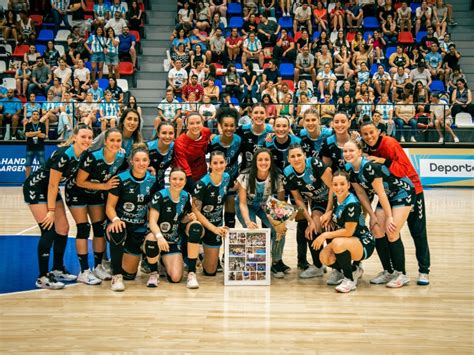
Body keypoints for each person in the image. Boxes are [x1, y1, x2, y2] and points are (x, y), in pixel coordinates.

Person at [23, 124, 93, 289]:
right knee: (49, 230)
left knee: (63, 228)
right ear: (74, 137)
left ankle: (57, 268)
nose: (87, 140)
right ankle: (42, 277)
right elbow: (53, 185)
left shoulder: (83, 155)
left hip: (50, 189)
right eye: (83, 136)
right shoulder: (64, 155)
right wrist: (51, 211)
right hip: (36, 187)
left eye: (90, 137)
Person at [360, 121, 431, 285]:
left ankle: (424, 270)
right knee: (379, 228)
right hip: (389, 192)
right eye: (365, 134)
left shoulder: (390, 143)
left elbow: (404, 169)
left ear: (378, 131)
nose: (369, 136)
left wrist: (383, 161)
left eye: (372, 132)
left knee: (417, 232)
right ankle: (390, 270)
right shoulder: (366, 148)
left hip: (411, 190)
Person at [344, 139, 414, 288]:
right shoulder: (349, 168)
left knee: (392, 230)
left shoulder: (369, 167)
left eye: (351, 151)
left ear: (360, 152)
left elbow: (381, 193)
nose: (348, 154)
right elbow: (361, 193)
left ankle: (402, 274)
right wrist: (372, 215)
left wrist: (389, 217)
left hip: (402, 191)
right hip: (388, 196)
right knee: (376, 229)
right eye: (345, 151)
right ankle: (388, 271)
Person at [69, 128, 126, 284]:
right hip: (77, 192)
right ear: (105, 141)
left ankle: (98, 266)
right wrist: (105, 186)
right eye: (112, 140)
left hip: (96, 194)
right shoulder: (92, 157)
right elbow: (79, 181)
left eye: (118, 140)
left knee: (99, 229)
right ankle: (84, 271)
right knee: (83, 228)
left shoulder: (121, 156)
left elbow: (129, 168)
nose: (115, 143)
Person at [106, 144, 158, 291]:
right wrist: (115, 219)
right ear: (131, 161)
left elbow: (154, 208)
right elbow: (110, 206)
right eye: (137, 160)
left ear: (148, 162)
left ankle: (144, 257)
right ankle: (116, 275)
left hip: (140, 228)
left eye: (144, 160)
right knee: (117, 229)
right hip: (122, 225)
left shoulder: (153, 181)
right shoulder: (120, 179)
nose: (141, 163)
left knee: (131, 275)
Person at [313, 170, 375, 293]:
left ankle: (349, 280)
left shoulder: (352, 203)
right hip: (350, 241)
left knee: (337, 243)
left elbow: (348, 232)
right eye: (335, 185)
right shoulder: (338, 199)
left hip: (364, 243)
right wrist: (329, 213)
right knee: (325, 257)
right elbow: (338, 211)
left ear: (348, 185)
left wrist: (325, 235)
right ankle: (353, 269)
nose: (338, 187)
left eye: (342, 184)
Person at [146, 167, 203, 288]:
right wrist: (160, 237)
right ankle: (153, 273)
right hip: (158, 238)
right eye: (174, 179)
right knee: (152, 237)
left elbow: (181, 220)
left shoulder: (186, 197)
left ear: (185, 181)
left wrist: (188, 218)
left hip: (172, 241)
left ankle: (188, 272)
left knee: (176, 278)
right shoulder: (160, 195)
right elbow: (152, 222)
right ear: (169, 180)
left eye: (181, 179)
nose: (177, 182)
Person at [235, 148, 289, 278]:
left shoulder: (278, 176)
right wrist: (248, 221)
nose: (263, 162)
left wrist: (280, 222)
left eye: (266, 159)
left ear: (271, 161)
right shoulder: (245, 176)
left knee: (279, 230)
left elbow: (280, 203)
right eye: (260, 159)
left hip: (266, 205)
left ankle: (276, 262)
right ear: (255, 161)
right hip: (246, 205)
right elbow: (242, 203)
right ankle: (253, 265)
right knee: (253, 231)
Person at [284, 144, 332, 278]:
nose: (296, 158)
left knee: (329, 228)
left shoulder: (314, 163)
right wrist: (310, 221)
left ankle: (338, 268)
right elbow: (298, 199)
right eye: (292, 156)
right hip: (317, 201)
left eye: (299, 155)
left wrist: (329, 211)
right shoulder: (288, 172)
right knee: (312, 229)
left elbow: (332, 186)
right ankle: (318, 266)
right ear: (288, 159)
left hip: (333, 199)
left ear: (305, 155)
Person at [192, 151, 231, 275]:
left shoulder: (226, 177)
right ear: (210, 165)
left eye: (221, 162)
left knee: (210, 271)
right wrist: (213, 228)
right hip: (201, 225)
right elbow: (195, 211)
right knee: (195, 228)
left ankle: (203, 254)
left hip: (217, 223)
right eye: (215, 163)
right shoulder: (202, 184)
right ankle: (195, 249)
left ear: (226, 163)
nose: (218, 166)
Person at [209, 108, 242, 230]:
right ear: (220, 126)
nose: (229, 128)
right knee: (215, 209)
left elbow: (245, 160)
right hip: (216, 179)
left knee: (230, 205)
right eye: (226, 125)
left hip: (233, 179)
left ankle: (230, 236)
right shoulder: (214, 141)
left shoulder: (239, 140)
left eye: (232, 125)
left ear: (235, 126)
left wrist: (240, 178)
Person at [173, 112, 212, 192]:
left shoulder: (206, 132)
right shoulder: (180, 142)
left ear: (202, 123)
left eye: (198, 123)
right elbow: (185, 169)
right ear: (186, 125)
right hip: (185, 177)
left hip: (202, 173)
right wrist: (195, 191)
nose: (195, 126)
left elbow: (206, 149)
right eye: (191, 123)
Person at [236, 103, 273, 171]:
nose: (259, 115)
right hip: (246, 171)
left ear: (266, 115)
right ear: (251, 115)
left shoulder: (272, 131)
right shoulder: (242, 129)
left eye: (262, 113)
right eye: (256, 112)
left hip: (267, 172)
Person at [147, 122, 175, 190]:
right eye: (164, 133)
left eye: (171, 133)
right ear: (158, 134)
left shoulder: (175, 147)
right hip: (144, 183)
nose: (167, 136)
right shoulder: (147, 147)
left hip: (160, 184)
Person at [24, 111, 47, 177]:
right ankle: (27, 181)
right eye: (34, 114)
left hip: (40, 148)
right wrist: (38, 132)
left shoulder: (42, 125)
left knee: (43, 165)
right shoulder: (28, 125)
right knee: (27, 165)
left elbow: (43, 136)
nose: (35, 115)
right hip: (30, 148)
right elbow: (27, 134)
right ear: (31, 116)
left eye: (37, 114)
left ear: (39, 116)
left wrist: (32, 133)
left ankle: (43, 180)